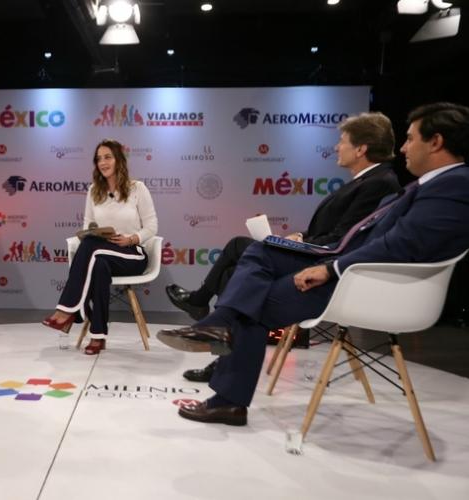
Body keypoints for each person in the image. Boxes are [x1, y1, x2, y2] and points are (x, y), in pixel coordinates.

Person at [156, 102, 469, 426]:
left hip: (363, 283)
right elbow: (371, 237)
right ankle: (219, 341)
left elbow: (401, 244)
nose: (403, 147)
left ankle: (227, 389)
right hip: (350, 269)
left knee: (252, 299)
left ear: (436, 142)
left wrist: (331, 267)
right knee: (260, 253)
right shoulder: (428, 186)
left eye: (411, 138)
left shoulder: (454, 185)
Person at [168, 112, 401, 382]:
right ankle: (220, 357)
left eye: (342, 141)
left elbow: (344, 240)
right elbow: (334, 231)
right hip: (317, 255)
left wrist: (303, 243)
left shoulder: (379, 183)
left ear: (361, 149)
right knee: (233, 276)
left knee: (238, 248)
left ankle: (201, 306)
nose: (337, 147)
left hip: (323, 267)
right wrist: (300, 235)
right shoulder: (368, 180)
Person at [42, 139, 158, 355]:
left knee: (91, 249)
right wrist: (93, 232)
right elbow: (88, 225)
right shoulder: (94, 190)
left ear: (118, 160)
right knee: (98, 263)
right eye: (98, 159)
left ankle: (67, 311)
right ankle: (98, 335)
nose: (102, 162)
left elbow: (152, 226)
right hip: (102, 253)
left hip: (132, 255)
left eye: (107, 157)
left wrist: (132, 239)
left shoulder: (137, 188)